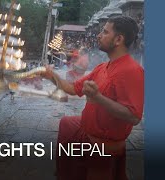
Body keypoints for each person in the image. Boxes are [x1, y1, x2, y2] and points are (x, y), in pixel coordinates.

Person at [40, 16, 143, 180]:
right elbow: (73, 89)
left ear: (118, 39)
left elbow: (134, 116)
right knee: (67, 123)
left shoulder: (132, 70)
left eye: (104, 32)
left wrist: (98, 98)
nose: (98, 35)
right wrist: (50, 76)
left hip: (103, 144)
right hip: (88, 131)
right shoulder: (102, 67)